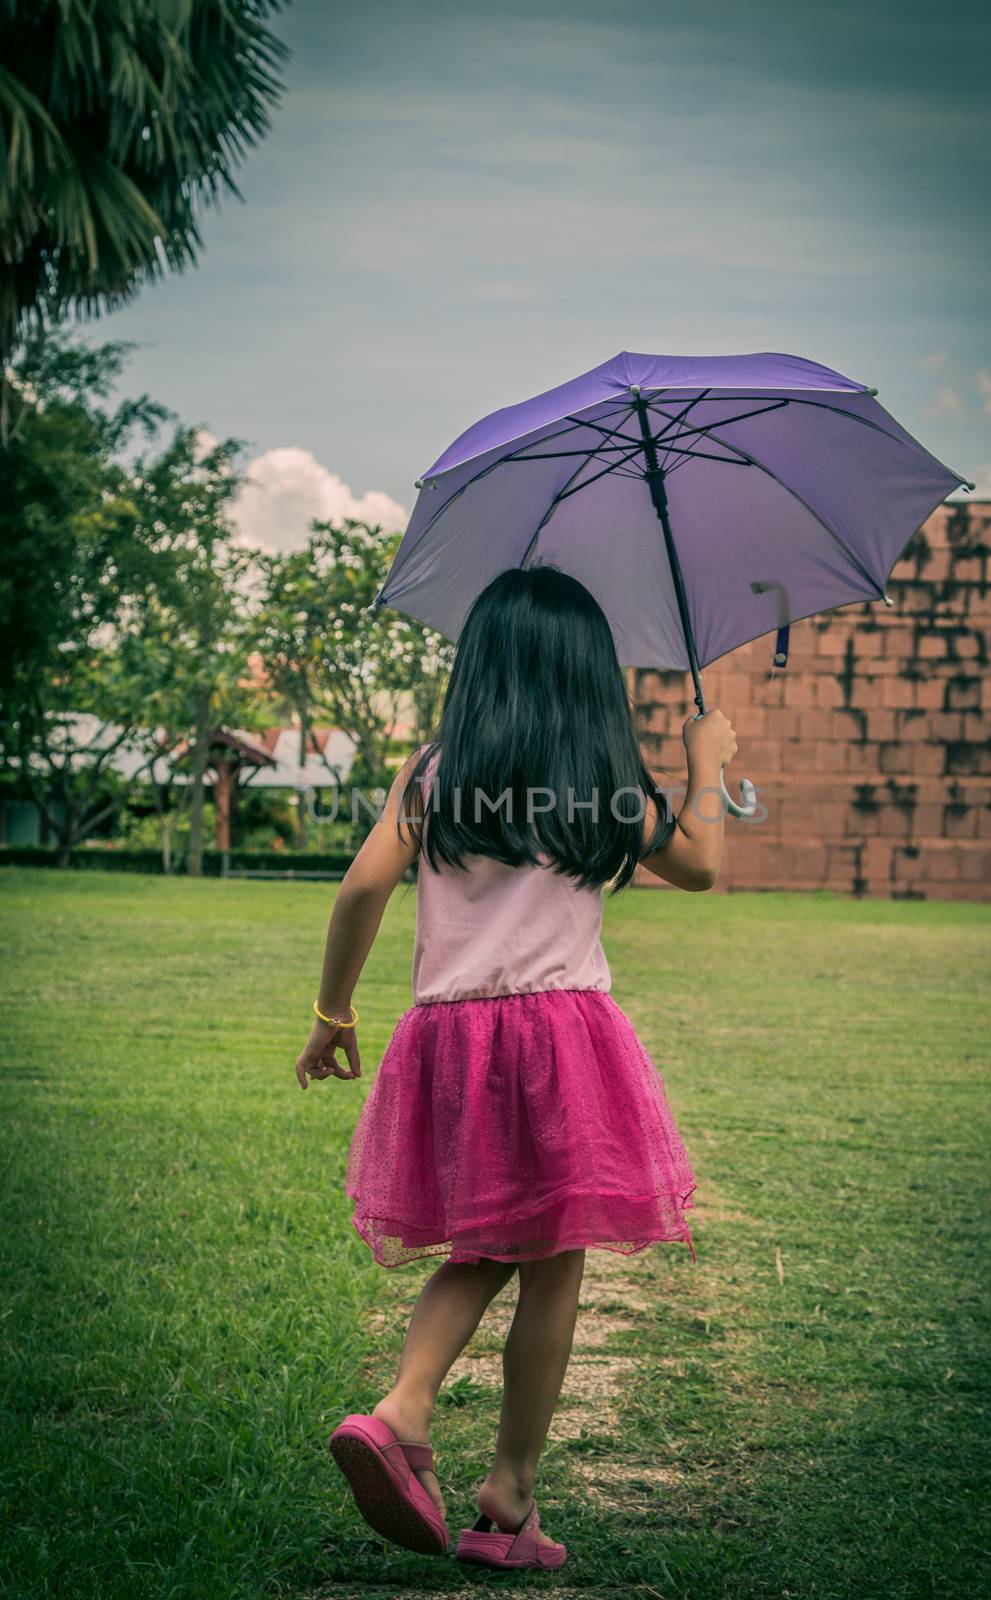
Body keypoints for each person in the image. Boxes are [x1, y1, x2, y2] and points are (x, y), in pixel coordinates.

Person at [294, 565, 738, 1571]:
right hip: (562, 1039)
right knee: (553, 1267)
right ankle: (506, 1493)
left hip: (450, 1039)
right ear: (589, 674)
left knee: (480, 1243)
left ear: (478, 666)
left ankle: (405, 1410)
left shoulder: (436, 772)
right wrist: (704, 760)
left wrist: (332, 1011)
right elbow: (702, 864)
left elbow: (362, 888)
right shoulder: (601, 781)